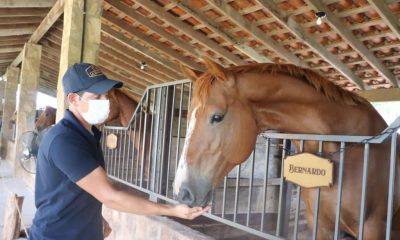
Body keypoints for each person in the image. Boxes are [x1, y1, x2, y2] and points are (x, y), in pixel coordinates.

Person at [29, 63, 210, 239]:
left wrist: (93, 219)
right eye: (97, 97)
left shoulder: (88, 134)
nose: (105, 102)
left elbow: (78, 187)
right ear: (74, 99)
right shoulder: (64, 141)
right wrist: (172, 210)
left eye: (106, 95)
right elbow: (111, 196)